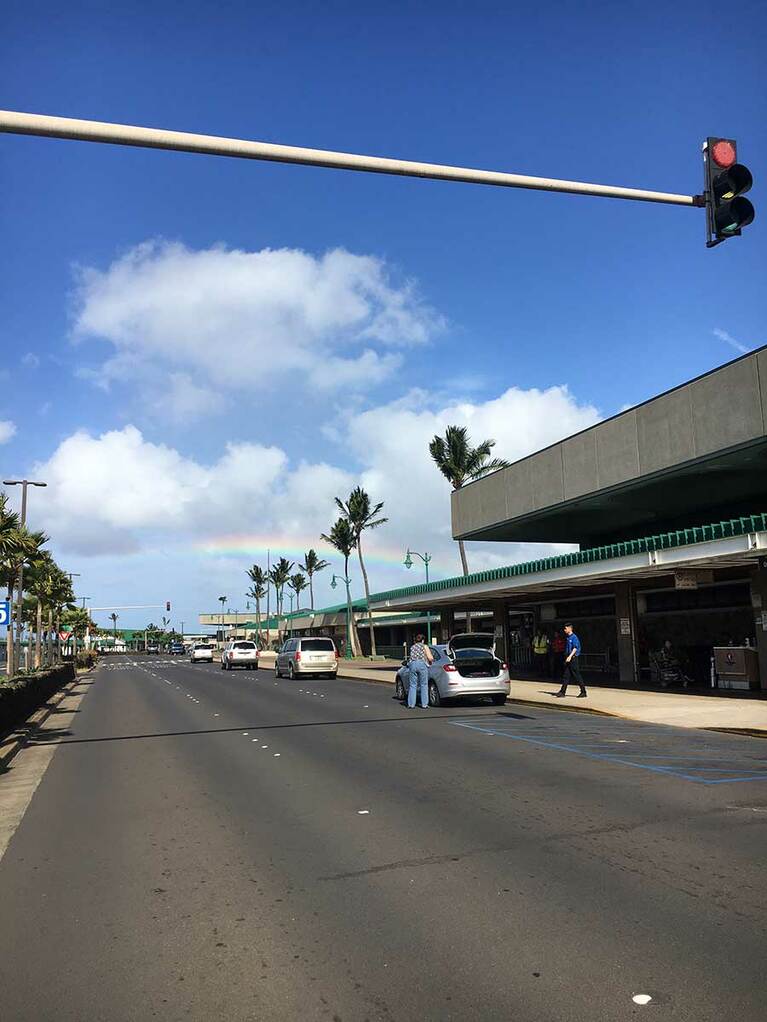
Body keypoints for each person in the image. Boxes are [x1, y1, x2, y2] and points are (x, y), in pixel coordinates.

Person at [554, 622, 587, 698]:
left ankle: (583, 691)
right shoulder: (568, 637)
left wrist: (570, 656)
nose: (564, 630)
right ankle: (562, 692)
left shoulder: (574, 637)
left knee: (577, 675)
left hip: (573, 659)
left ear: (570, 628)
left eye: (565, 628)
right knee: (566, 676)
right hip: (568, 658)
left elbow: (575, 648)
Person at [407, 633, 433, 709]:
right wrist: (430, 661)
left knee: (412, 685)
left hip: (412, 664)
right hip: (421, 664)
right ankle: (424, 704)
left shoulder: (412, 647)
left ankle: (411, 704)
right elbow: (430, 658)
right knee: (424, 684)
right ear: (423, 640)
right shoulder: (424, 646)